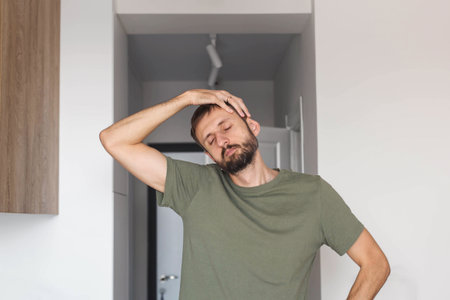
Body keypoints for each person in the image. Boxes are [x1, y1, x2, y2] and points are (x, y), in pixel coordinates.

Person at [100, 88, 390, 300]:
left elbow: (375, 264)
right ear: (209, 155)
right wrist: (186, 98)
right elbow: (113, 140)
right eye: (210, 140)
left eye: (226, 127)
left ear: (252, 127)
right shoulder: (195, 186)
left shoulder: (313, 194)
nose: (221, 140)